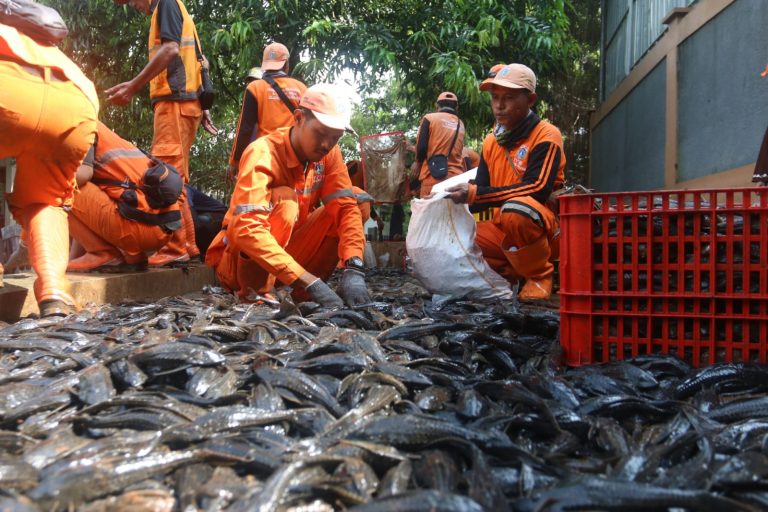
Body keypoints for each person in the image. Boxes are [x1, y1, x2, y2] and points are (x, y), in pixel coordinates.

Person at [205, 84, 371, 307]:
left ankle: (302, 294)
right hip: (239, 264)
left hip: (289, 252)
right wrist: (310, 281)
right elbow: (247, 229)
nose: (327, 144)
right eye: (321, 134)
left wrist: (354, 267)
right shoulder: (263, 152)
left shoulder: (329, 154)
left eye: (335, 138)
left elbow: (344, 207)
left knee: (356, 200)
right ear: (299, 118)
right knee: (286, 201)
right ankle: (258, 294)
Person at [108, 0, 217, 266]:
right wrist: (203, 107)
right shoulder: (176, 8)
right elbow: (201, 62)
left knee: (165, 178)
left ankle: (174, 247)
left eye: (131, 1)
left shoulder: (167, 4)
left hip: (175, 104)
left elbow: (170, 50)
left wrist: (133, 86)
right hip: (186, 104)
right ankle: (187, 245)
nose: (133, 6)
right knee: (175, 178)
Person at [0, 23, 98, 316]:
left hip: (9, 87)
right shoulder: (51, 53)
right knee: (46, 201)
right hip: (75, 102)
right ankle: (55, 291)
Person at [445, 64, 565, 301]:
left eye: (508, 98)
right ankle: (510, 275)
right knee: (457, 239)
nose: (499, 106)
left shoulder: (546, 134)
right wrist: (445, 198)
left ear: (530, 100)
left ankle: (540, 275)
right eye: (495, 98)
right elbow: (481, 192)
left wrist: (474, 194)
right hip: (503, 227)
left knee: (517, 210)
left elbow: (538, 188)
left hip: (542, 227)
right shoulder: (492, 141)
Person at [66, 122, 183, 272]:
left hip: (140, 228)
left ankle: (101, 253)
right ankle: (133, 257)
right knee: (72, 186)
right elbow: (86, 212)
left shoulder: (81, 125)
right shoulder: (105, 133)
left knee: (56, 186)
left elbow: (83, 174)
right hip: (162, 231)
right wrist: (72, 261)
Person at [227, 42, 307, 180]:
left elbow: (245, 128)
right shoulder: (301, 88)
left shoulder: (255, 87)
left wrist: (235, 162)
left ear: (265, 64)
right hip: (295, 157)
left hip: (266, 156)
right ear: (286, 64)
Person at [414, 91, 466, 197]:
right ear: (457, 108)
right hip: (456, 180)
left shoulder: (429, 118)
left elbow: (421, 149)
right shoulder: (460, 124)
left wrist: (417, 164)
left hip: (432, 177)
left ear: (437, 106)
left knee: (430, 213)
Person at [185, 184, 227, 258]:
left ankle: (204, 251)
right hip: (210, 218)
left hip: (219, 216)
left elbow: (190, 214)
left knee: (194, 221)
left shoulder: (184, 189)